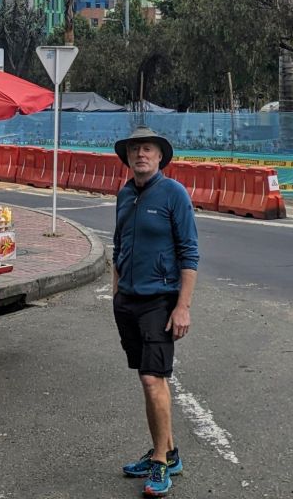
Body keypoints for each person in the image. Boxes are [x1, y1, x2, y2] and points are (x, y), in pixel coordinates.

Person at [112, 126, 199, 497]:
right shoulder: (125, 194)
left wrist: (183, 307)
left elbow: (190, 253)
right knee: (148, 379)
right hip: (128, 301)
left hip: (160, 301)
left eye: (147, 149)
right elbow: (118, 245)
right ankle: (169, 452)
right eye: (135, 149)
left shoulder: (173, 193)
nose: (140, 154)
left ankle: (160, 462)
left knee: (152, 378)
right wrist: (116, 291)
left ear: (160, 156)